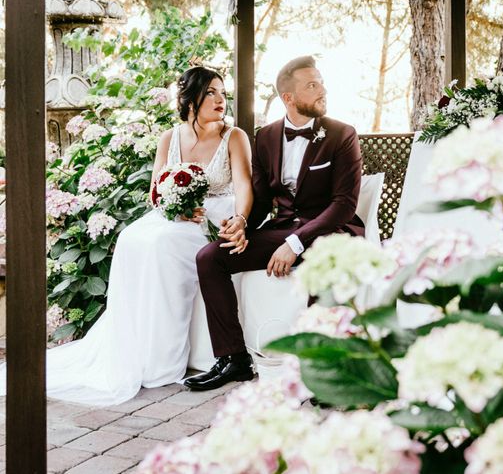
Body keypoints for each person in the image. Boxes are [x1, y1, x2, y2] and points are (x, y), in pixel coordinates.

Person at [0, 67, 253, 406]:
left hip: (217, 214)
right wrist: (174, 207)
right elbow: (156, 190)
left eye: (223, 91)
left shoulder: (233, 136)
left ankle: (164, 358)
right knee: (133, 238)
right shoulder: (169, 138)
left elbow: (244, 186)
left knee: (163, 244)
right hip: (175, 215)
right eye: (211, 92)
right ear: (191, 98)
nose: (221, 99)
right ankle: (137, 346)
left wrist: (239, 217)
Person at [185, 56, 364, 391]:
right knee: (210, 257)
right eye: (312, 85)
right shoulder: (265, 137)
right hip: (281, 228)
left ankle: (322, 369)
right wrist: (241, 227)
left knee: (327, 261)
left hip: (329, 231)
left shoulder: (342, 135)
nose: (322, 89)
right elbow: (261, 199)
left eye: (321, 81)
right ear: (289, 98)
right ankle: (234, 358)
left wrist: (295, 244)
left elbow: (344, 204)